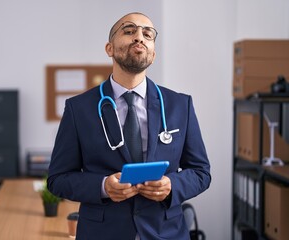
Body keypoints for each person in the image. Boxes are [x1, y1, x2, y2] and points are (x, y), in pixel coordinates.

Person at [47, 12, 211, 240]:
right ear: (109, 49)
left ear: (153, 54)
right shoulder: (79, 109)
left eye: (147, 34)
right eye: (129, 31)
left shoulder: (180, 105)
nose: (139, 37)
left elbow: (201, 172)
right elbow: (58, 179)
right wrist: (103, 186)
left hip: (165, 233)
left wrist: (171, 185)